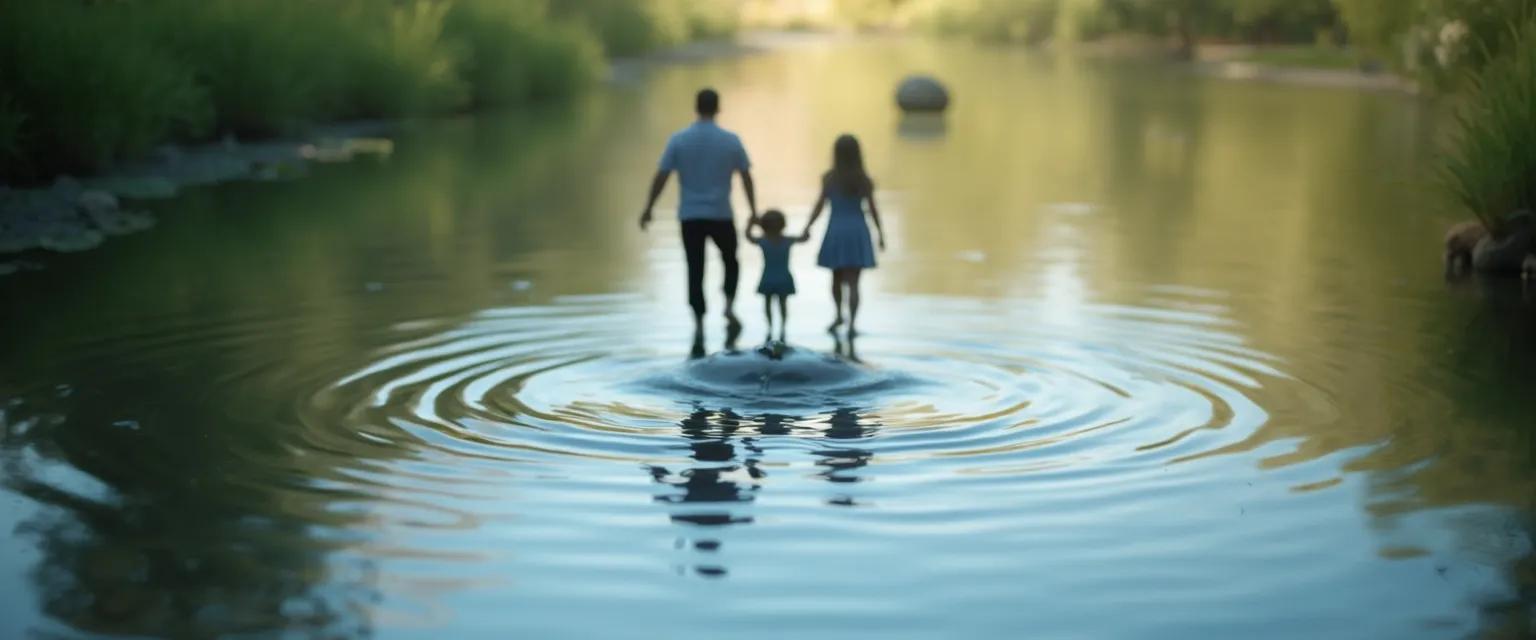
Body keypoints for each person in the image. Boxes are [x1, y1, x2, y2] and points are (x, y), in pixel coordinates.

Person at [640, 88, 758, 339]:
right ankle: (728, 305)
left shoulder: (679, 139)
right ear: (718, 108)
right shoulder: (730, 140)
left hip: (690, 215)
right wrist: (753, 211)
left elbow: (662, 175)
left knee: (695, 268)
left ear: (696, 107)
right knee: (731, 261)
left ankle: (699, 323)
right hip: (721, 214)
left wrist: (649, 207)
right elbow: (746, 176)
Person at [799, 134, 885, 336]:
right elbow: (873, 209)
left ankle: (838, 315)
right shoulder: (864, 180)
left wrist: (808, 226)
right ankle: (852, 324)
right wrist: (880, 234)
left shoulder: (829, 178)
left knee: (836, 278)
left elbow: (820, 206)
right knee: (854, 282)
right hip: (857, 230)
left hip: (836, 230)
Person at [745, 209, 808, 343]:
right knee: (781, 304)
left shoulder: (764, 240)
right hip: (782, 276)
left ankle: (772, 328)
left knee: (771, 304)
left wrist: (750, 222)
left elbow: (748, 237)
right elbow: (804, 238)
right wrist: (808, 227)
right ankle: (779, 328)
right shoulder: (786, 240)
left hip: (770, 276)